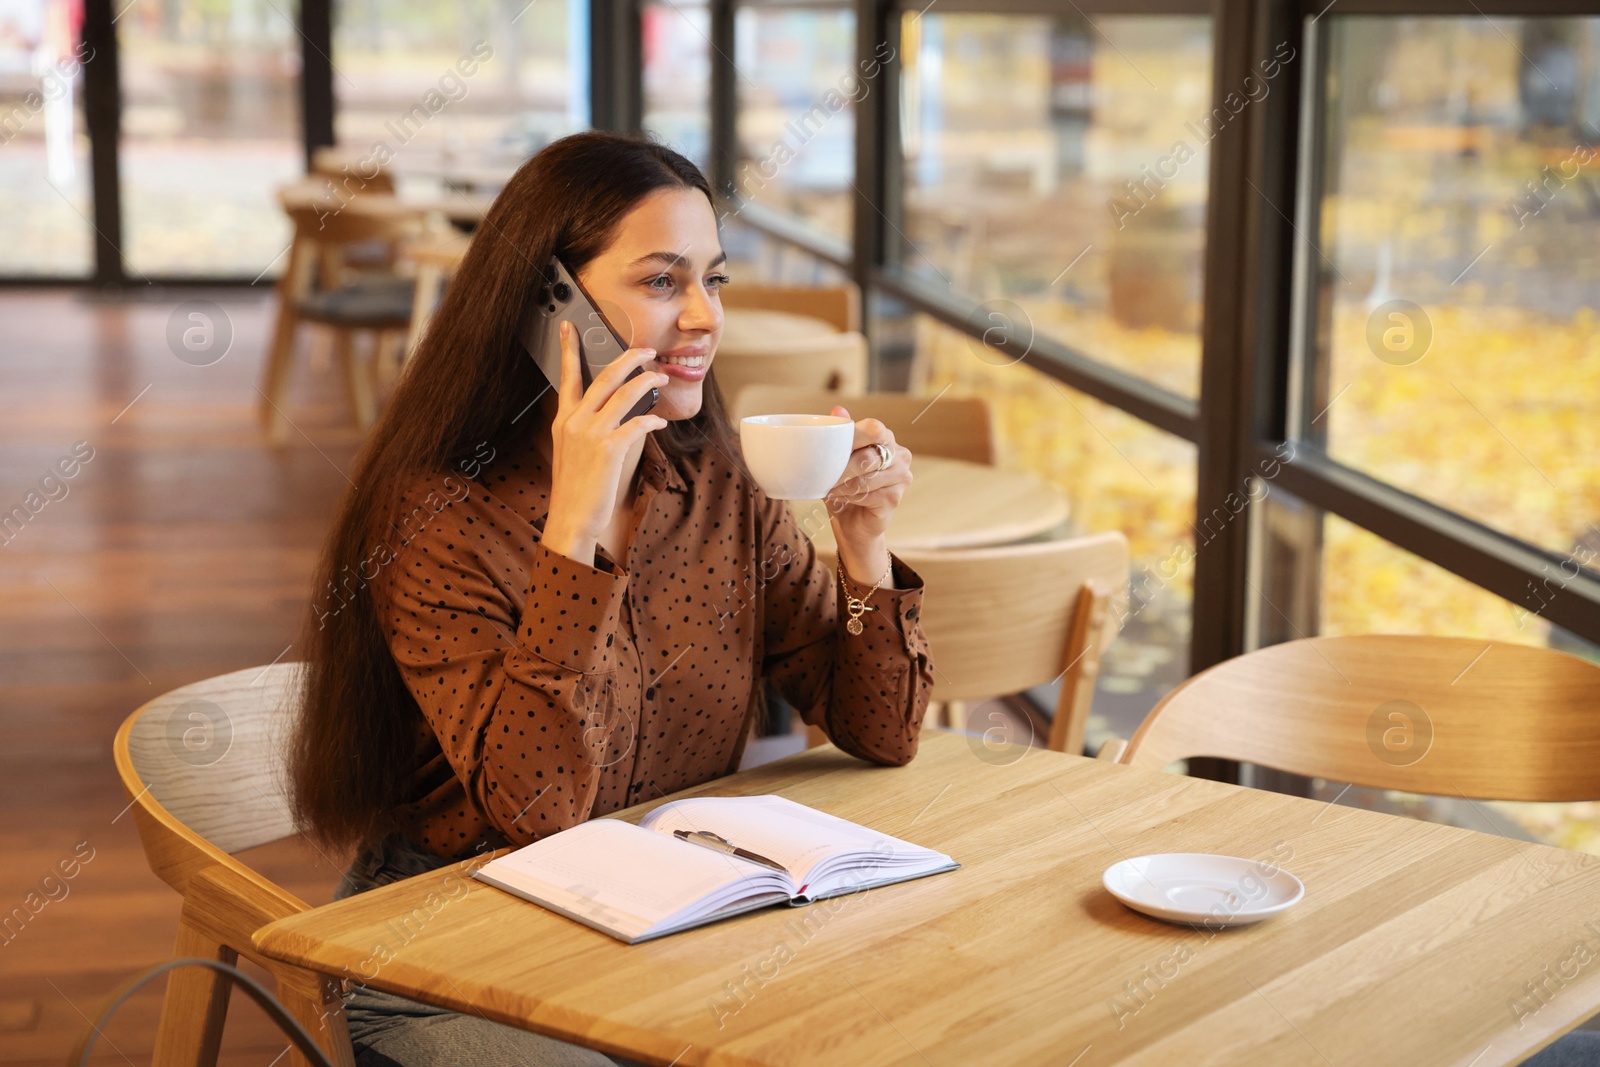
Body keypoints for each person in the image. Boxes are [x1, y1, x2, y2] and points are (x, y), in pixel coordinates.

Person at [286, 130, 937, 1066]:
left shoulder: (720, 484)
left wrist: (863, 545)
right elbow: (539, 807)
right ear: (550, 302)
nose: (706, 316)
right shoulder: (435, 513)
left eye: (715, 280)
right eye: (663, 282)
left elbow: (884, 731)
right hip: (450, 947)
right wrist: (574, 534)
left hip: (671, 921)